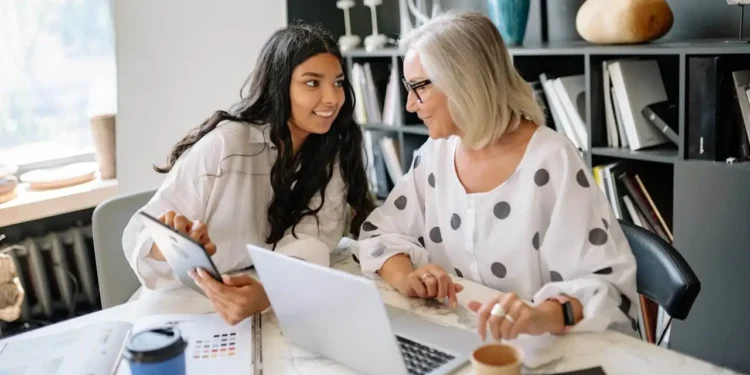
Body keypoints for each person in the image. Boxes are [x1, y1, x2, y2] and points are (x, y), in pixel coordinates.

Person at [355, 11, 639, 342]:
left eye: (418, 88)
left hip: (544, 349)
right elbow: (379, 234)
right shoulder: (434, 156)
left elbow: (606, 285)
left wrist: (539, 315)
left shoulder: (552, 161)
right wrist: (409, 278)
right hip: (461, 339)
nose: (409, 105)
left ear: (463, 82)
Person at [122, 23, 375, 325]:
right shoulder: (227, 144)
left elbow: (314, 239)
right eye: (312, 83)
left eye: (337, 82)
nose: (332, 98)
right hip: (184, 308)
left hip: (257, 298)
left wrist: (271, 292)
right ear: (280, 86)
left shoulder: (330, 149)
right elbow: (141, 236)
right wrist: (173, 244)